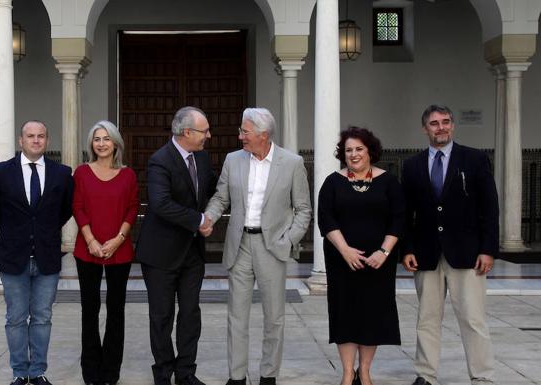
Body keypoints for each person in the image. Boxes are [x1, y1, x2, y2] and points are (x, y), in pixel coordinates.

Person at [204, 108, 312, 385]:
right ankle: (236, 376)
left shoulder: (291, 163)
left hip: (272, 248)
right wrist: (209, 218)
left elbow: (303, 210)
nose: (240, 136)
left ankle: (268, 375)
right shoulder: (233, 160)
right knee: (236, 316)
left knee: (274, 317)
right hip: (239, 245)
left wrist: (288, 241)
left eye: (245, 132)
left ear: (263, 135)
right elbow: (220, 198)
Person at [401, 105, 498, 385]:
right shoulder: (412, 165)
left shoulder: (475, 159)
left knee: (473, 319)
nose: (440, 127)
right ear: (425, 128)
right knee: (427, 319)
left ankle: (482, 376)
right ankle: (426, 374)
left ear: (453, 126)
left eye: (445, 122)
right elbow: (406, 213)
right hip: (426, 253)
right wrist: (407, 248)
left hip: (467, 253)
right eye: (434, 123)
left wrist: (488, 249)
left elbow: (490, 208)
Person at [0, 120, 74, 385]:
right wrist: (16, 232)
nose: (36, 140)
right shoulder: (0, 172)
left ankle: (38, 372)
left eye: (41, 136)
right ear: (20, 141)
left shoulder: (61, 173)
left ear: (47, 140)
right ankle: (20, 373)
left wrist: (42, 231)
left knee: (43, 317)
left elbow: (64, 210)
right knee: (16, 318)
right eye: (30, 136)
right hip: (13, 257)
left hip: (47, 257)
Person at [135, 106, 217, 385]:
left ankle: (186, 373)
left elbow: (215, 189)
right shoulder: (160, 160)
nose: (208, 135)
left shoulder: (203, 159)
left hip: (192, 254)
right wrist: (198, 220)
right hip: (160, 254)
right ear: (187, 132)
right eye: (204, 131)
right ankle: (163, 373)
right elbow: (160, 204)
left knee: (191, 313)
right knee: (162, 316)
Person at [317, 127, 405, 385]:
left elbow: (399, 220)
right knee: (345, 313)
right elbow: (326, 219)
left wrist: (384, 252)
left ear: (370, 151)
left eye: (359, 149)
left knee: (372, 314)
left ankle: (364, 371)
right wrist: (344, 250)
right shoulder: (333, 182)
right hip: (341, 262)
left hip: (378, 264)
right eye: (348, 150)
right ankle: (347, 372)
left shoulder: (389, 182)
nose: (353, 155)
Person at [72, 121, 139, 385]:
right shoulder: (82, 173)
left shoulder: (128, 175)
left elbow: (132, 208)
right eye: (96, 139)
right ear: (92, 144)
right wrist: (90, 240)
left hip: (119, 251)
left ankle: (111, 372)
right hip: (87, 249)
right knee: (89, 310)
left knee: (116, 310)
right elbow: (77, 207)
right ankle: (91, 372)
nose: (101, 143)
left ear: (115, 144)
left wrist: (118, 239)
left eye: (106, 139)